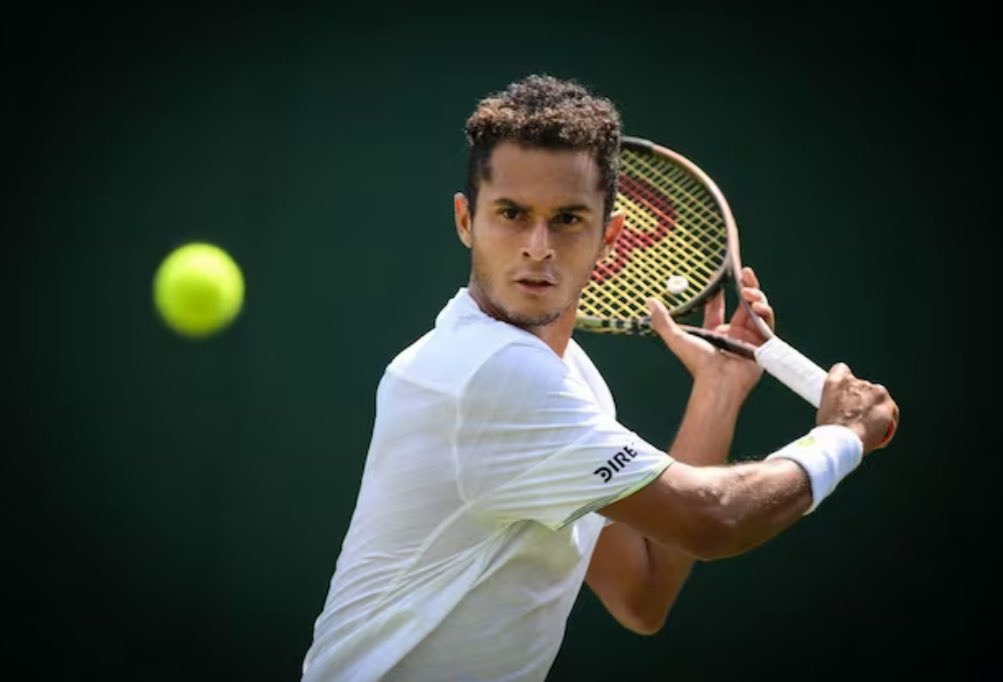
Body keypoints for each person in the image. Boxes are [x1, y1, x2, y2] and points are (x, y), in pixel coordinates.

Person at [300, 75, 899, 681]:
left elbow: (642, 593)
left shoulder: (570, 379)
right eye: (512, 214)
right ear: (465, 221)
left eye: (567, 219)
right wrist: (841, 437)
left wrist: (717, 391)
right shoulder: (492, 375)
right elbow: (715, 521)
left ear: (608, 237)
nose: (538, 246)